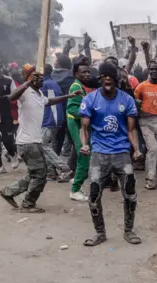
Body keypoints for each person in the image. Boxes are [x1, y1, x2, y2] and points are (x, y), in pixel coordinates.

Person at [0, 66, 81, 213]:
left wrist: (69, 96)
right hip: (27, 143)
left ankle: (8, 192)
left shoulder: (39, 93)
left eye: (42, 77)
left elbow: (49, 101)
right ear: (29, 79)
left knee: (34, 174)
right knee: (40, 175)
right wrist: (28, 83)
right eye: (37, 77)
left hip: (35, 141)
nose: (41, 79)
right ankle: (28, 204)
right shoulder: (25, 92)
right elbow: (11, 97)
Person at [78, 62, 142, 247]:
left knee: (130, 191)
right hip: (99, 153)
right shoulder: (90, 100)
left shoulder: (127, 100)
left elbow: (132, 130)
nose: (107, 80)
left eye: (111, 77)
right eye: (104, 77)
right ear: (100, 80)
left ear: (115, 80)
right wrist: (84, 145)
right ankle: (100, 233)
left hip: (121, 152)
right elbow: (84, 128)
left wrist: (136, 149)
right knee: (94, 193)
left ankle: (129, 231)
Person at [135, 60, 157, 190]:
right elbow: (134, 100)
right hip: (146, 121)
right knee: (153, 149)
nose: (154, 71)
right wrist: (137, 103)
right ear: (149, 71)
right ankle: (150, 179)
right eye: (151, 69)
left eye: (156, 69)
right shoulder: (141, 86)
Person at [67, 58, 94, 201]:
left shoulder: (80, 86)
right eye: (83, 72)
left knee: (83, 154)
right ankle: (75, 189)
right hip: (76, 125)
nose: (87, 74)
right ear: (76, 74)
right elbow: (71, 107)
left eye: (88, 71)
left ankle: (77, 180)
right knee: (84, 153)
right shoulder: (75, 87)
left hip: (80, 124)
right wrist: (88, 114)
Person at [41, 64, 73, 182]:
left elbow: (50, 103)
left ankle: (64, 168)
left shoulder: (46, 84)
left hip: (50, 119)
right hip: (54, 118)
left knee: (44, 145)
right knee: (47, 145)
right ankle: (50, 172)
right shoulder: (52, 82)